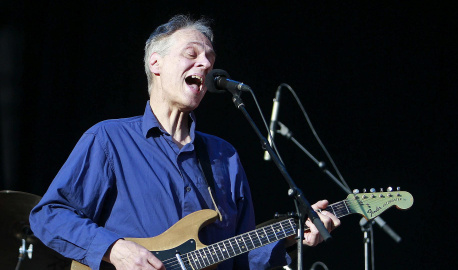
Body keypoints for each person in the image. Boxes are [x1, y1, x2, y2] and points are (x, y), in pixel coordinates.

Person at [29, 15, 340, 270]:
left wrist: (291, 236)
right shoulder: (109, 139)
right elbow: (49, 214)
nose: (205, 64)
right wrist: (114, 249)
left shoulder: (224, 155)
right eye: (192, 54)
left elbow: (238, 257)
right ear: (156, 64)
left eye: (210, 58)